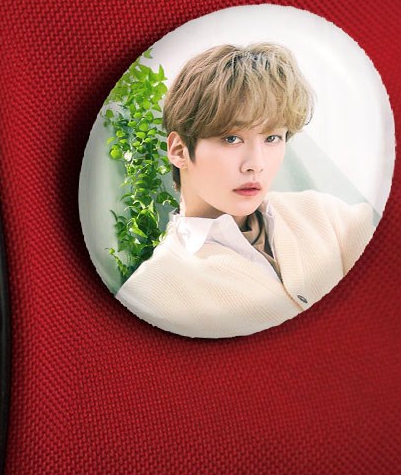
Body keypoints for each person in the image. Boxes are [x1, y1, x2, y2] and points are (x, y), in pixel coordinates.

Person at [115, 42, 375, 338]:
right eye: (231, 139)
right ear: (178, 150)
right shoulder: (150, 294)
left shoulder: (328, 216)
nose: (256, 164)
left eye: (272, 138)